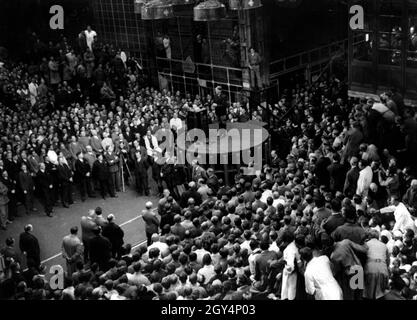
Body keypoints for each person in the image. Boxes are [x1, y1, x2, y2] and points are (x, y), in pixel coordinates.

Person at [363, 229, 390, 300]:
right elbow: (388, 262)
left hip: (370, 268)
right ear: (378, 237)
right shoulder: (384, 245)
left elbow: (362, 259)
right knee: (380, 294)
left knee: (368, 294)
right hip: (382, 269)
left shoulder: (366, 244)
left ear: (369, 237)